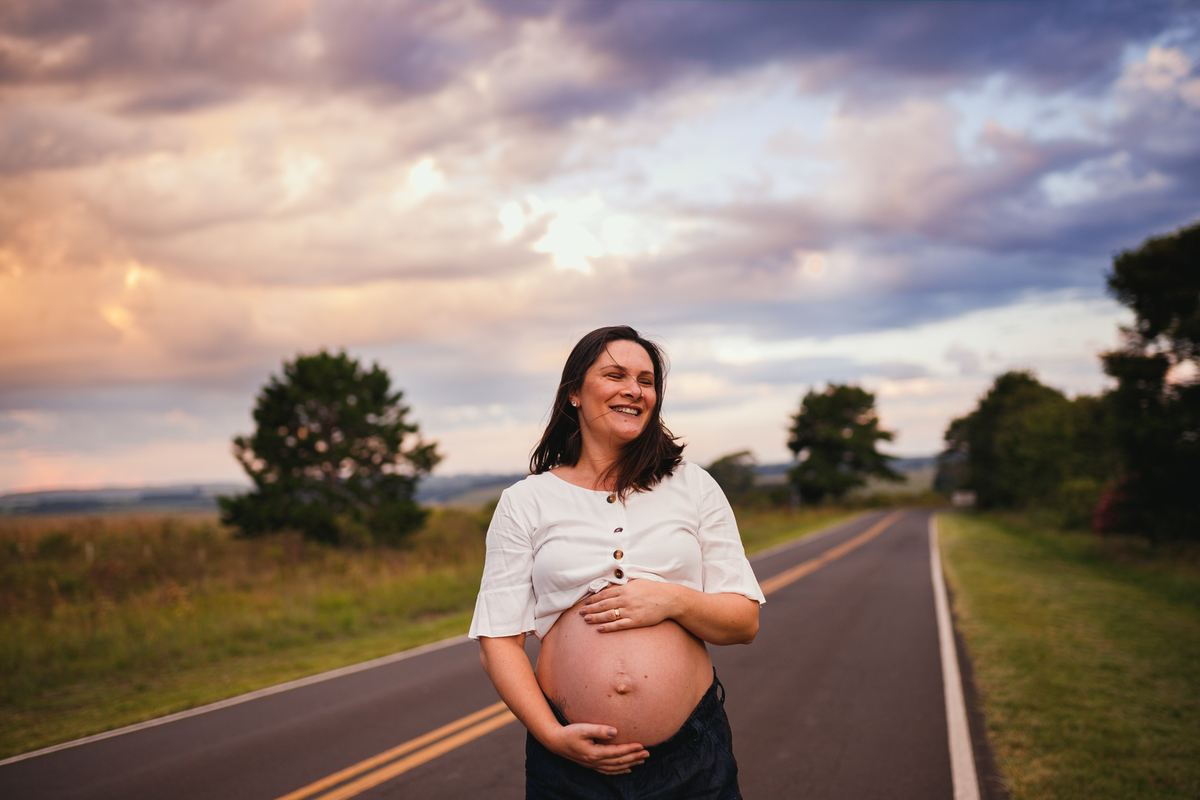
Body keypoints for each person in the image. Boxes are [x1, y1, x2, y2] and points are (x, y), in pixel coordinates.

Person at [469, 325, 765, 800]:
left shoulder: (694, 486)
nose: (634, 390)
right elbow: (498, 640)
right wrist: (550, 735)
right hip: (568, 766)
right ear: (573, 394)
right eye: (615, 375)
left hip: (691, 757)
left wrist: (671, 599)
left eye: (647, 381)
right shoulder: (526, 502)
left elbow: (743, 621)